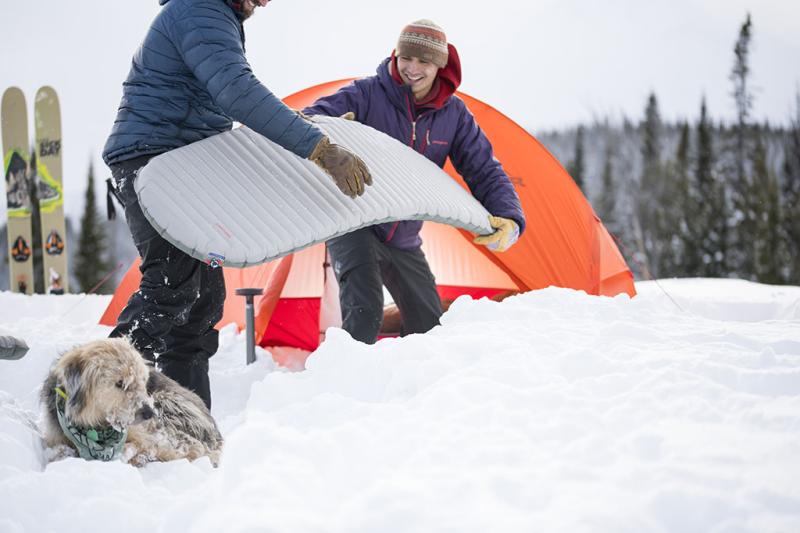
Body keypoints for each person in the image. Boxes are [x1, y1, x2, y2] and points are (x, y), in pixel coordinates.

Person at [102, 0, 372, 408]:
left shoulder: (211, 14)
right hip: (153, 161)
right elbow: (237, 92)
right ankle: (100, 397)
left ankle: (188, 422)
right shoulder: (199, 10)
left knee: (200, 305)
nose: (264, 2)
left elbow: (222, 102)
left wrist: (306, 125)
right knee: (172, 286)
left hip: (183, 165)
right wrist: (319, 148)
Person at [304, 19, 526, 344]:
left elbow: (483, 168)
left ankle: (414, 390)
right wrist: (332, 132)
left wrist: (509, 215)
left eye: (423, 61)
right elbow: (311, 119)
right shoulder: (366, 94)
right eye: (406, 57)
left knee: (428, 325)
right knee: (365, 310)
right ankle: (346, 384)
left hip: (403, 234)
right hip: (354, 221)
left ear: (440, 66)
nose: (412, 68)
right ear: (396, 55)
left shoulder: (455, 115)